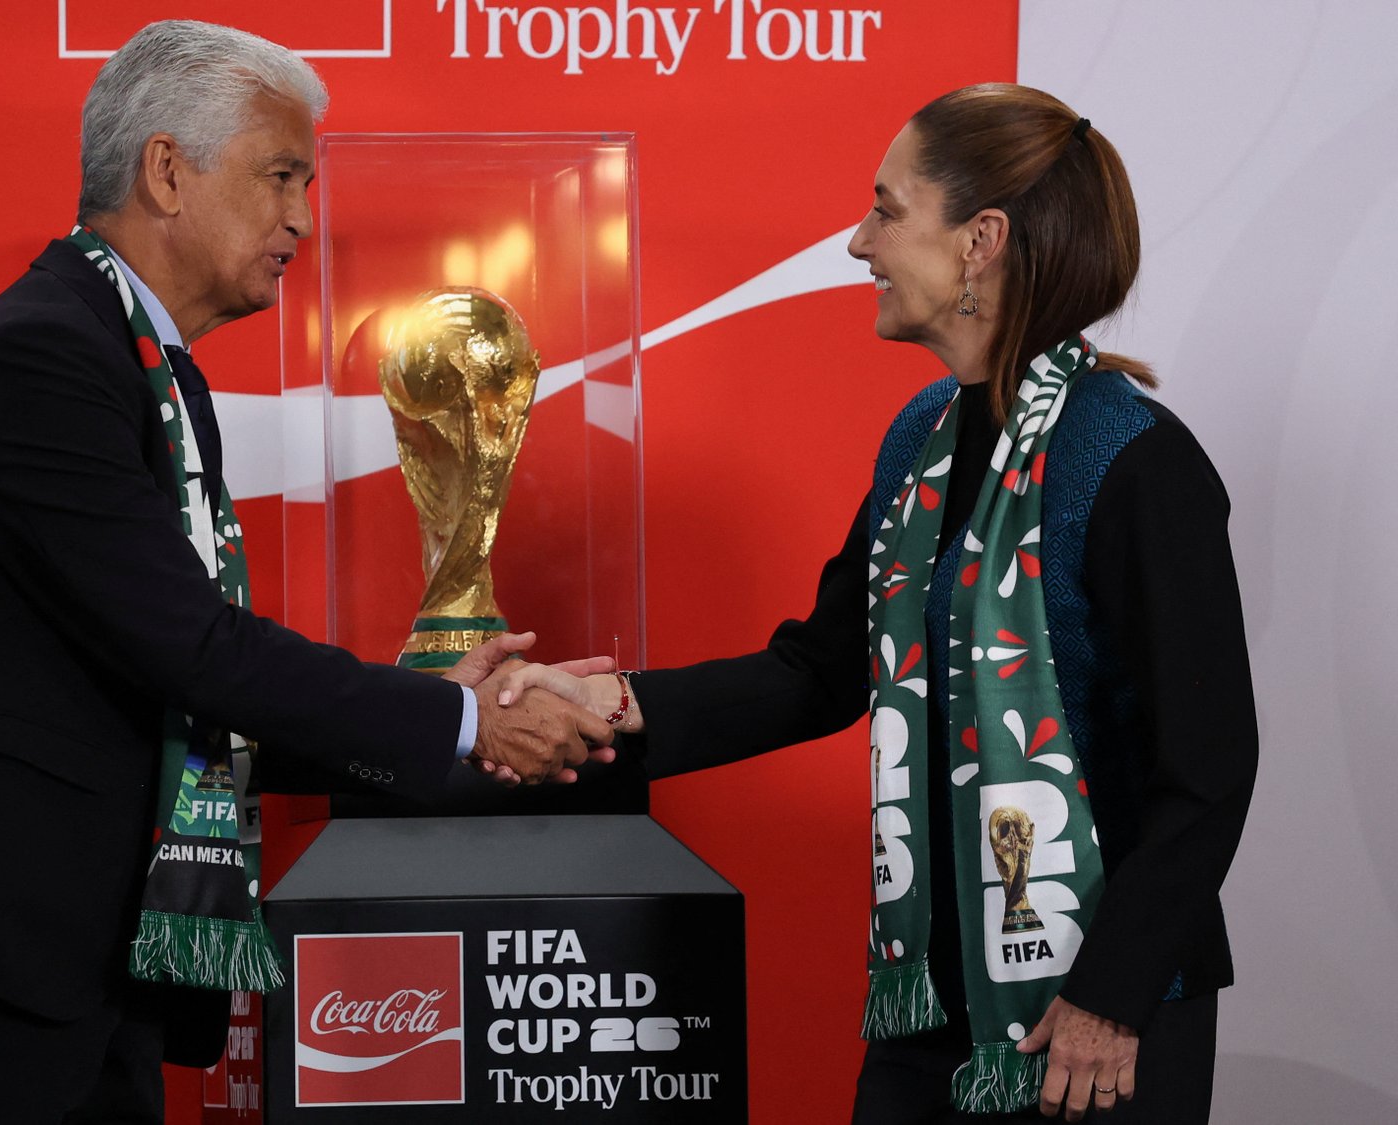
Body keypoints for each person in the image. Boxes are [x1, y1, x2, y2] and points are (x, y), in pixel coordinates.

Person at [0, 20, 612, 1124]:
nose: (301, 218)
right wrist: (458, 728)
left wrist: (431, 705)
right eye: (280, 176)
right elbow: (188, 647)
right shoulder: (43, 358)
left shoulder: (141, 370)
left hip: (88, 964)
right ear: (168, 170)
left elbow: (170, 687)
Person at [494, 84, 1256, 1124]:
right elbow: (818, 673)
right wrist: (608, 708)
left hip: (1091, 1023)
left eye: (886, 210)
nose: (858, 243)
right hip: (925, 1005)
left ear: (980, 241)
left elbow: (1206, 771)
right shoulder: (921, 442)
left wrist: (1108, 1000)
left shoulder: (1134, 464)